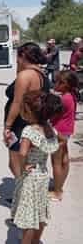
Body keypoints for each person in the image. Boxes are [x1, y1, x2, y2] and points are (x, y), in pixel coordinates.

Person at [11, 90, 62, 244]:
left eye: (23, 108)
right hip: (43, 175)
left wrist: (23, 166)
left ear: (30, 112)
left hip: (31, 177)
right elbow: (56, 145)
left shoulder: (29, 131)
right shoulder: (49, 129)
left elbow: (22, 153)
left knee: (29, 219)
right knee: (40, 212)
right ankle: (36, 241)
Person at [4, 42, 50, 179]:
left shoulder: (25, 76)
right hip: (34, 122)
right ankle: (27, 192)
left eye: (17, 57)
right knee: (28, 162)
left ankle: (23, 193)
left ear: (23, 56)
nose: (16, 60)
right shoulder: (41, 74)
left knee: (15, 163)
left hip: (20, 124)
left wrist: (7, 126)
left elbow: (17, 103)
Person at [50, 70, 79, 201]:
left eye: (57, 82)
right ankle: (60, 186)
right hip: (67, 130)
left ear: (65, 84)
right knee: (64, 158)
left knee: (56, 162)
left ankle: (57, 192)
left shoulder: (63, 99)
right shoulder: (70, 95)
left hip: (59, 130)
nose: (55, 84)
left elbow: (53, 113)